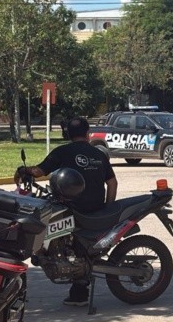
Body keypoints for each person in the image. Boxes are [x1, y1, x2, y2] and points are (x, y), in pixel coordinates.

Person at [15, 117, 117, 306]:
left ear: (68, 134)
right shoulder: (98, 154)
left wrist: (23, 169)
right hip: (96, 210)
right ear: (88, 134)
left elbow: (38, 171)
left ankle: (79, 287)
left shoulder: (63, 152)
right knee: (70, 243)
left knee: (56, 233)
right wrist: (107, 209)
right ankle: (78, 286)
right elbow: (112, 183)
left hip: (74, 208)